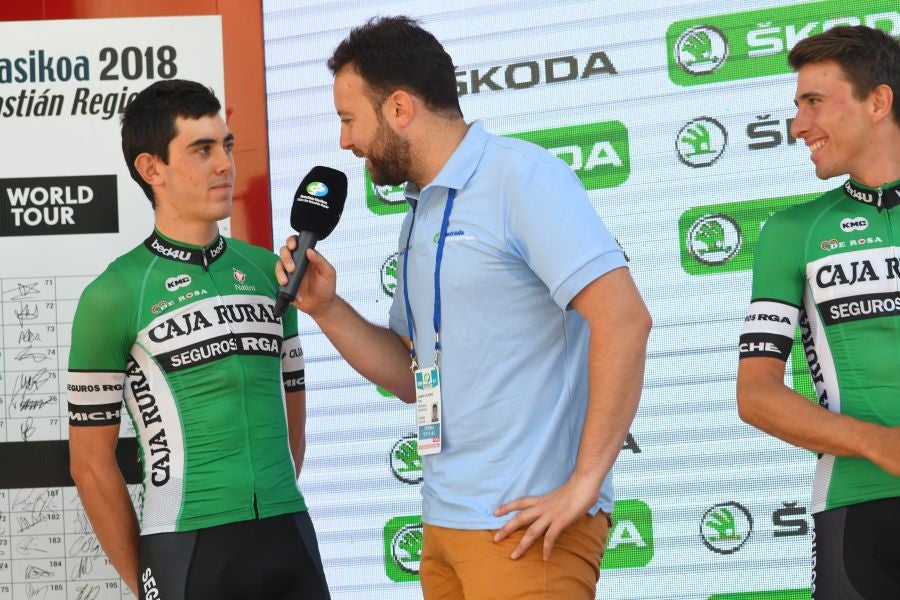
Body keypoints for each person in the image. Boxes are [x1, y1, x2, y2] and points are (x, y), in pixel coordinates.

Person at [278, 16, 651, 599]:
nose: (344, 141)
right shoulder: (421, 210)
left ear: (400, 109)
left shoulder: (521, 177)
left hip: (525, 528)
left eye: (350, 120)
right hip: (445, 525)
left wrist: (585, 482)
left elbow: (624, 319)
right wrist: (327, 307)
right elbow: (411, 376)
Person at [67, 79, 330, 600]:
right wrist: (146, 578)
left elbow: (290, 424)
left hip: (289, 533)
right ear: (152, 169)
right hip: (186, 551)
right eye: (202, 149)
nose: (225, 165)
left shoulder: (272, 272)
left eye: (226, 146)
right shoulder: (114, 294)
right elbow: (91, 466)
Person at [737, 25, 900, 599]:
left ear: (877, 101)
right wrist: (878, 445)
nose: (798, 125)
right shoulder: (792, 233)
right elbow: (756, 395)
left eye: (814, 103)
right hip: (855, 507)